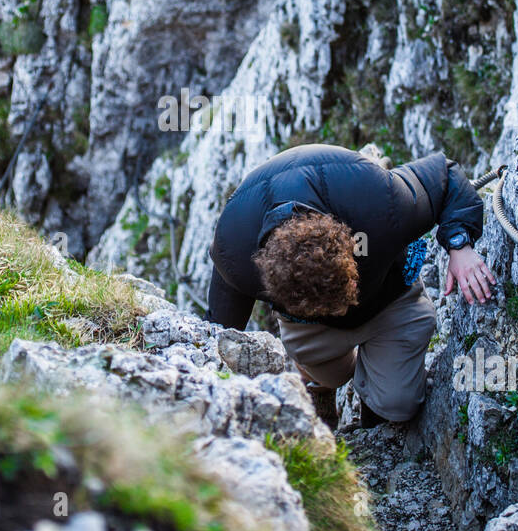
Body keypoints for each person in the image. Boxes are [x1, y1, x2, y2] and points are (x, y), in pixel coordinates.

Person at [205, 143, 495, 427]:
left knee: (399, 404)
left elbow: (445, 175)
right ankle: (317, 383)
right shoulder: (236, 254)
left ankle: (372, 403)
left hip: (388, 297)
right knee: (330, 375)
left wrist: (460, 244)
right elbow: (218, 333)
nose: (346, 304)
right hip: (312, 329)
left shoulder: (377, 201)